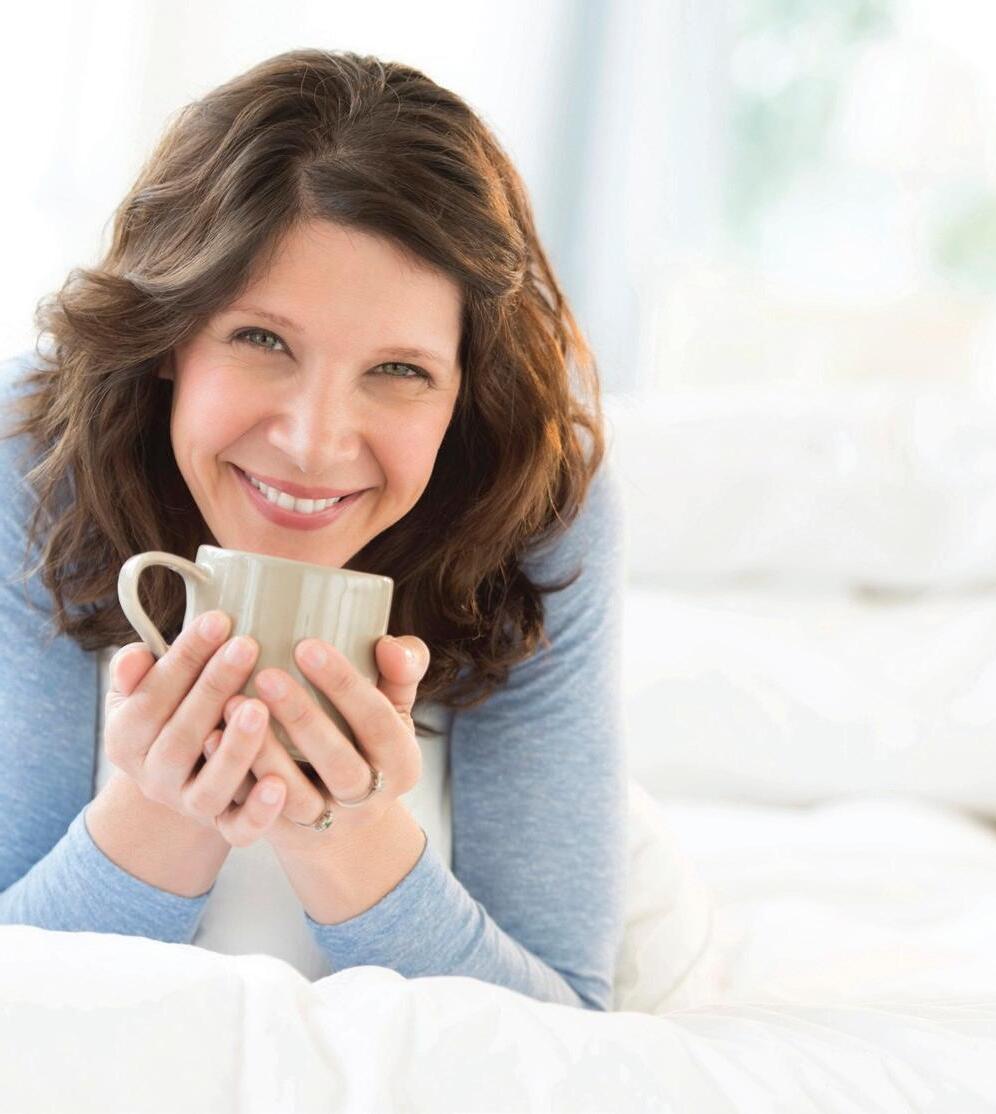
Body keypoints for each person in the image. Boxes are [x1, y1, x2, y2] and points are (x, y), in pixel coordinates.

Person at [0, 48, 627, 1011]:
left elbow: (567, 1022)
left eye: (400, 370)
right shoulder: (34, 458)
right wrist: (161, 818)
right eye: (262, 340)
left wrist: (347, 835)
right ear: (169, 336)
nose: (313, 443)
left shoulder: (539, 502)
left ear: (465, 393)